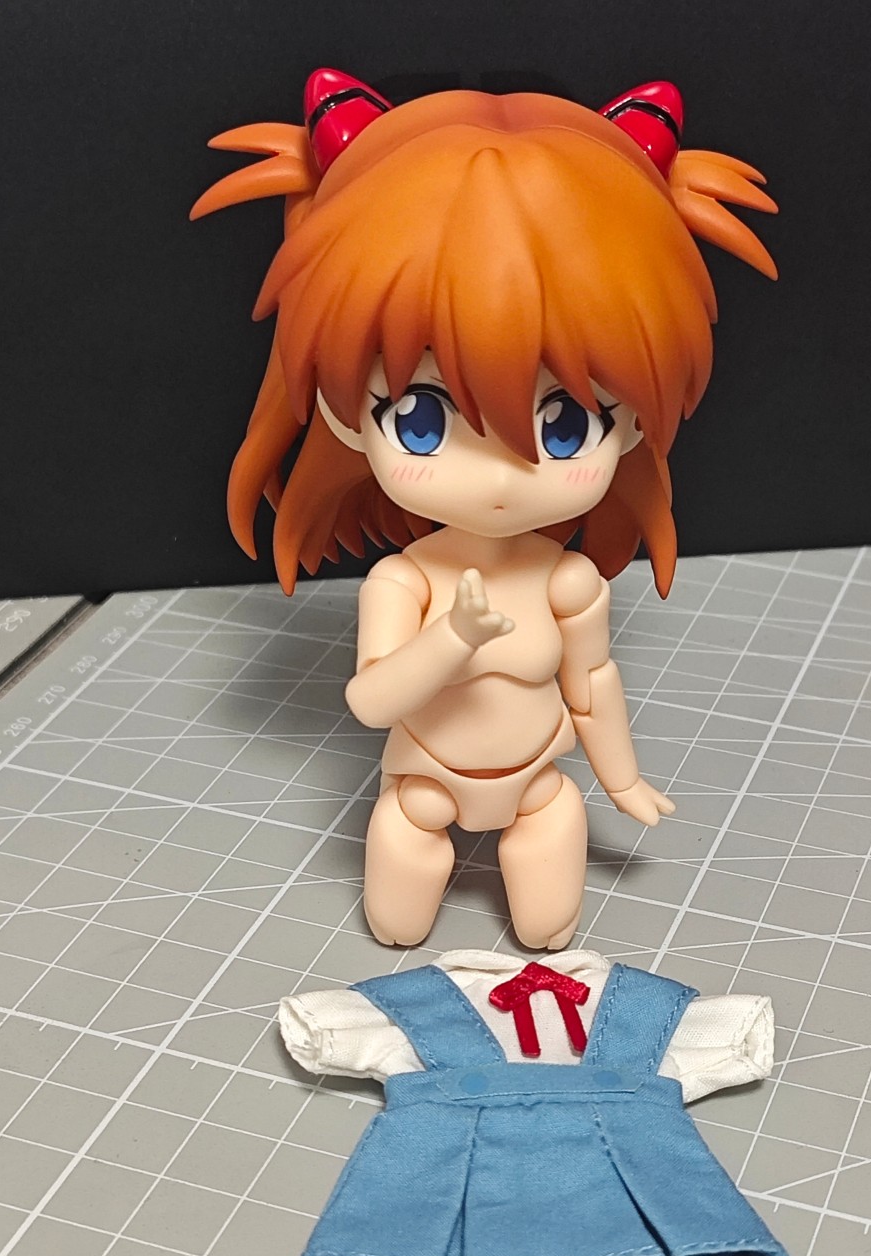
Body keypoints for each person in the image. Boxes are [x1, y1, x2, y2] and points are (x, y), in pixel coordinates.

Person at [192, 70, 776, 948]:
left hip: (538, 783)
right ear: (347, 419)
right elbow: (371, 700)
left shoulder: (569, 583)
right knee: (398, 908)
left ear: (633, 425)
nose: (500, 476)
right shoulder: (405, 583)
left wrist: (620, 780)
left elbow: (592, 684)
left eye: (566, 425)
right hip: (422, 784)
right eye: (421, 421)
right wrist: (450, 642)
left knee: (548, 919)